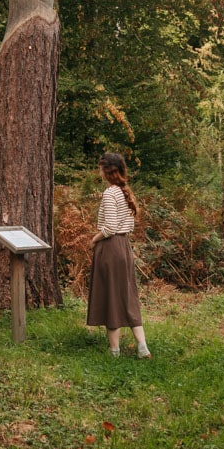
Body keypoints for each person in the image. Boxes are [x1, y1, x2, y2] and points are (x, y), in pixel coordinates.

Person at [87, 152, 151, 358]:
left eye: (100, 168)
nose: (99, 171)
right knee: (127, 296)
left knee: (111, 297)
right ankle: (142, 347)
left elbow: (111, 227)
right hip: (124, 247)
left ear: (107, 171)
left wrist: (95, 239)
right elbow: (128, 224)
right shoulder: (125, 192)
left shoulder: (110, 193)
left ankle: (114, 352)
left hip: (111, 248)